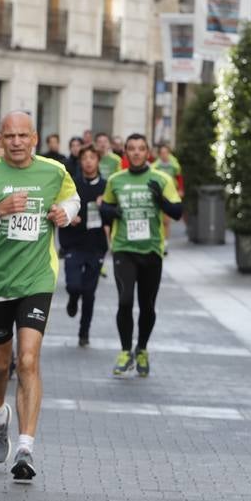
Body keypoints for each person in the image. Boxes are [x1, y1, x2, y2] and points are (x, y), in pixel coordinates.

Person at [0, 111, 78, 484]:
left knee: (27, 360)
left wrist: (64, 213)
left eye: (24, 135)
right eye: (11, 136)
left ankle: (25, 447)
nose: (18, 142)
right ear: (0, 139)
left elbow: (73, 201)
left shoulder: (54, 172)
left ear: (35, 138)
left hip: (37, 278)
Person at [100, 133, 183, 379]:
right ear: (125, 152)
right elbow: (104, 209)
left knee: (147, 306)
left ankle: (142, 349)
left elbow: (177, 212)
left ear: (148, 153)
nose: (136, 152)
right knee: (125, 301)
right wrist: (111, 211)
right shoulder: (115, 180)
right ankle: (126, 350)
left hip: (151, 250)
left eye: (141, 149)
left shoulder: (161, 178)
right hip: (124, 249)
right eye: (132, 149)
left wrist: (161, 200)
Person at [58, 146, 109, 346]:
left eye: (92, 157)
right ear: (80, 161)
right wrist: (69, 216)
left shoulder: (106, 186)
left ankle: (84, 332)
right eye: (85, 158)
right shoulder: (72, 185)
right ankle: (72, 298)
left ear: (98, 160)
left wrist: (105, 206)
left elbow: (116, 213)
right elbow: (58, 207)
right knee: (73, 285)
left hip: (96, 245)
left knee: (89, 293)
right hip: (73, 244)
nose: (88, 161)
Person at [152, 143, 184, 250]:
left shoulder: (174, 164)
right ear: (159, 154)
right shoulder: (155, 166)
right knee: (159, 219)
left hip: (170, 192)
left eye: (166, 153)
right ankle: (159, 239)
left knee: (166, 220)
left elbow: (179, 177)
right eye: (162, 153)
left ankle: (165, 241)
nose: (164, 155)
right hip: (159, 194)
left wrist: (180, 189)